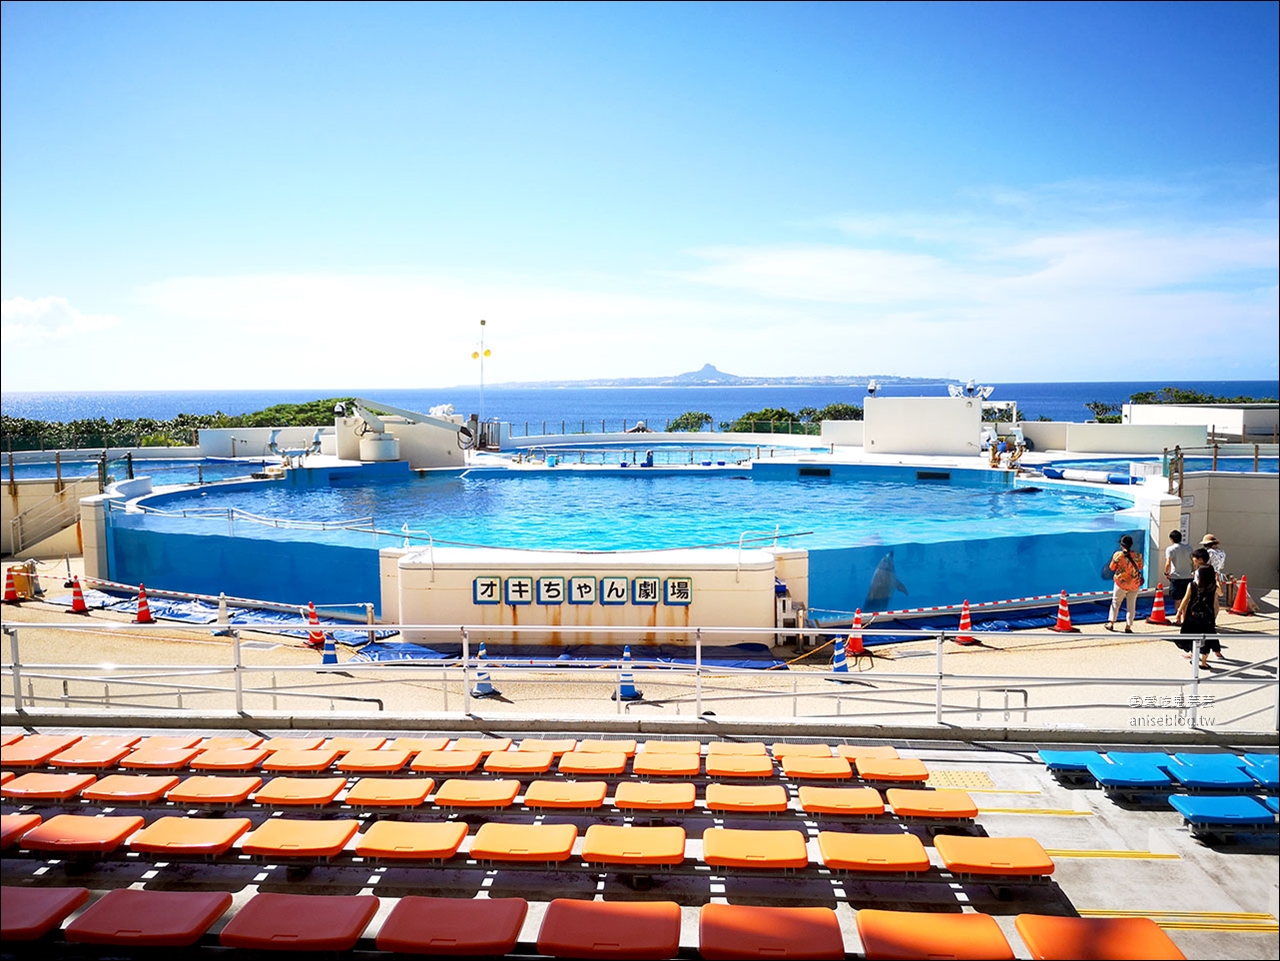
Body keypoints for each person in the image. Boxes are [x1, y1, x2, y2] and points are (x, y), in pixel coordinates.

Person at [1175, 549, 1220, 668]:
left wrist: (1179, 612)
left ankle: (1193, 654)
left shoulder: (1192, 586)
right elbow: (1220, 594)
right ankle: (1204, 662)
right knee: (1207, 637)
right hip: (1208, 614)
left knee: (1191, 634)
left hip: (1193, 613)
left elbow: (1185, 599)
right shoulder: (1213, 587)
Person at [1105, 534, 1144, 633]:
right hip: (1134, 583)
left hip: (1121, 583)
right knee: (1131, 605)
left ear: (1122, 545)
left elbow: (1111, 568)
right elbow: (1140, 567)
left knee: (1116, 602)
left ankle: (1111, 623)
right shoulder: (1138, 556)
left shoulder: (1118, 555)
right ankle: (1128, 626)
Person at [1164, 530, 1194, 619]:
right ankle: (1185, 618)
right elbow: (1193, 561)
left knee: (1177, 599)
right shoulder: (1189, 548)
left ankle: (1178, 619)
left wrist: (1166, 573)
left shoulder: (1170, 549)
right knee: (1186, 599)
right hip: (1188, 576)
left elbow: (1168, 563)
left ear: (1171, 539)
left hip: (1176, 577)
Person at [1200, 533, 1228, 601]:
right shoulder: (1222, 552)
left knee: (1206, 596)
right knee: (1215, 597)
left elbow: (1205, 564)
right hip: (1218, 574)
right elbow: (1222, 566)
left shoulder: (1209, 552)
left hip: (1207, 575)